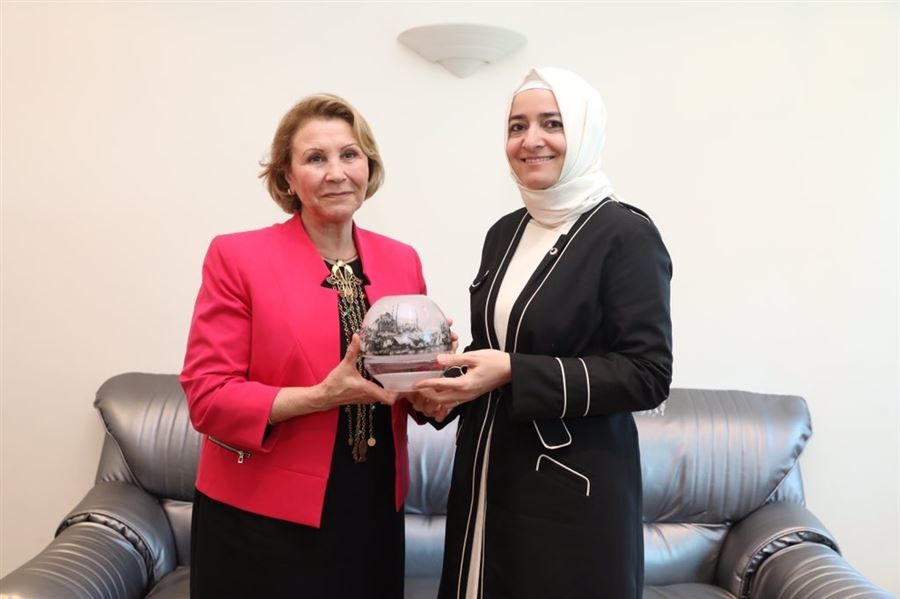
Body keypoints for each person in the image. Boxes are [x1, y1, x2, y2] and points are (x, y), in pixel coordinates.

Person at [412, 67, 673, 599]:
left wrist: (513, 371)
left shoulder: (625, 234)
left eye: (552, 124)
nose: (531, 140)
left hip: (570, 492)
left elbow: (647, 374)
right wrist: (446, 390)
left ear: (583, 132)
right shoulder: (504, 233)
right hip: (486, 472)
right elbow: (495, 350)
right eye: (517, 126)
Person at [180, 93, 427, 598]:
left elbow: (403, 386)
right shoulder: (238, 257)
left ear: (368, 167)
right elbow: (207, 397)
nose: (336, 172)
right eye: (316, 158)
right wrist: (320, 397)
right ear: (287, 178)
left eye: (349, 154)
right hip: (260, 518)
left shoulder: (403, 261)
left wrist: (435, 385)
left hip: (373, 509)